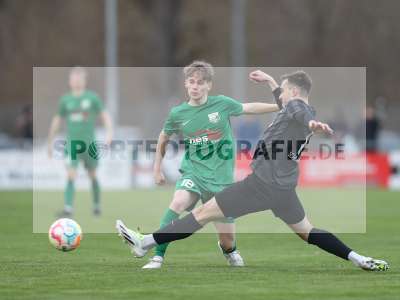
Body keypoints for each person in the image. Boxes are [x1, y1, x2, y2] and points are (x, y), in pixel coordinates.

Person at [116, 70, 389, 272]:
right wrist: (272, 83)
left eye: (283, 90)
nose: (280, 96)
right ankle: (358, 258)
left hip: (259, 185)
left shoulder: (298, 108)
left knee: (200, 214)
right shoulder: (297, 107)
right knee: (309, 231)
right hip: (283, 190)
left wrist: (313, 123)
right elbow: (291, 107)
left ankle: (146, 242)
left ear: (293, 92)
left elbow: (296, 109)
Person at [138, 61, 280, 269]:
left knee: (227, 240)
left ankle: (229, 251)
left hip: (222, 181)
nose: (195, 86)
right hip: (193, 173)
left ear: (208, 85)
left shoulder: (221, 104)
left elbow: (248, 108)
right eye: (191, 82)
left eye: (200, 83)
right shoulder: (178, 114)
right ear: (186, 84)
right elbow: (163, 137)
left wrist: (279, 106)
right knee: (178, 202)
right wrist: (157, 168)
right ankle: (157, 256)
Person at [47, 67, 113, 217]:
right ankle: (68, 208)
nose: (76, 81)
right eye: (74, 78)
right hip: (72, 145)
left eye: (79, 78)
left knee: (93, 175)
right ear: (70, 81)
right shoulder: (65, 100)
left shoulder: (92, 98)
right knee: (71, 174)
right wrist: (50, 141)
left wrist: (110, 133)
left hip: (89, 144)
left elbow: (105, 116)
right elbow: (57, 121)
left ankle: (96, 206)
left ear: (84, 80)